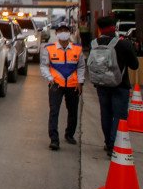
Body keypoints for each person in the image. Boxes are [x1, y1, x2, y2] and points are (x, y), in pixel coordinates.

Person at [93, 15, 139, 156]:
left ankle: (108, 142)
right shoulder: (123, 43)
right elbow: (135, 65)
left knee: (105, 114)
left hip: (101, 84)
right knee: (119, 116)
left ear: (100, 29)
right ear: (114, 27)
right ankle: (114, 144)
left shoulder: (94, 43)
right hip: (120, 85)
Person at [39, 23, 85, 150]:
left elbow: (81, 67)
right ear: (56, 33)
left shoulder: (77, 49)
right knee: (54, 112)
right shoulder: (49, 48)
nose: (63, 33)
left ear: (69, 33)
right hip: (56, 85)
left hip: (73, 85)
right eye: (61, 30)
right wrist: (50, 78)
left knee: (73, 112)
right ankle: (54, 139)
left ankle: (69, 134)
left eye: (66, 30)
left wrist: (80, 82)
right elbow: (44, 66)